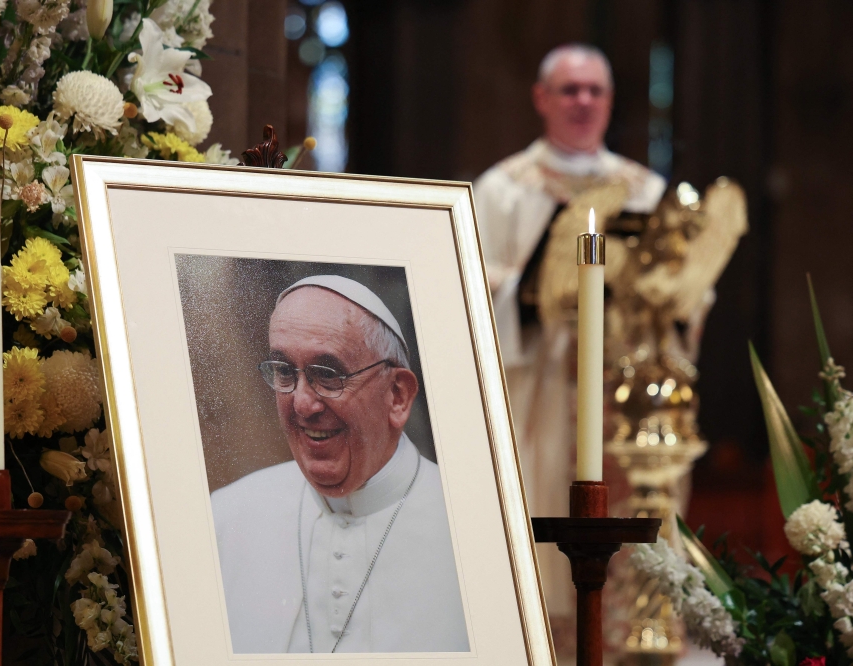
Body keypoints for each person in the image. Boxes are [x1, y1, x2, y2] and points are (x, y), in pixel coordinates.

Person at [472, 44, 666, 621]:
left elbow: (682, 289)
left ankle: (636, 626)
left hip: (620, 382)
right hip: (539, 379)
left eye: (595, 90)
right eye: (569, 89)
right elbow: (470, 275)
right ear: (541, 98)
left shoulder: (643, 189)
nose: (583, 101)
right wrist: (528, 290)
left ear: (609, 101)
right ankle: (533, 627)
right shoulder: (504, 187)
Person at [210, 275, 469, 654]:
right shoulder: (224, 516)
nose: (302, 404)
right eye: (284, 371)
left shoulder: (470, 527)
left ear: (397, 396)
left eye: (327, 375)